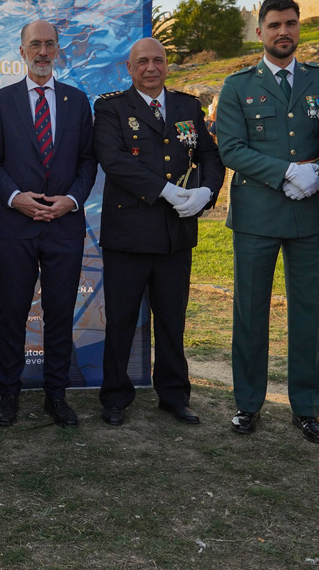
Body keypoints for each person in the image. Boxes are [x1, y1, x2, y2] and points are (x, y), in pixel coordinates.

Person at [214, 0, 319, 443]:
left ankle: (307, 409)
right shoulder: (237, 86)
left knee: (309, 314)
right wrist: (287, 172)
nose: (283, 32)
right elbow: (231, 148)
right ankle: (248, 403)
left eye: (290, 24)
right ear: (260, 32)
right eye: (274, 25)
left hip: (310, 214)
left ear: (299, 27)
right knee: (250, 313)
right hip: (256, 215)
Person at [93, 38, 224, 426]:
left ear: (167, 65)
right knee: (121, 320)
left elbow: (209, 155)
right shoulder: (111, 108)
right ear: (129, 68)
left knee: (172, 319)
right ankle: (115, 396)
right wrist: (164, 190)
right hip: (128, 234)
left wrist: (206, 192)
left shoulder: (187, 106)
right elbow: (113, 159)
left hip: (174, 233)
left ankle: (174, 395)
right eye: (142, 62)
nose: (151, 68)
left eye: (158, 60)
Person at [0, 19, 98, 427]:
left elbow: (88, 161)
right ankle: (8, 396)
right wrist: (16, 197)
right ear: (22, 51)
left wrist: (71, 200)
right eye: (35, 44)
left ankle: (56, 396)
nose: (43, 52)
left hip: (65, 226)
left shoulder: (77, 101)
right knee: (13, 314)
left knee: (60, 314)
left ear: (58, 50)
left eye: (49, 44)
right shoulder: (2, 101)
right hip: (16, 227)